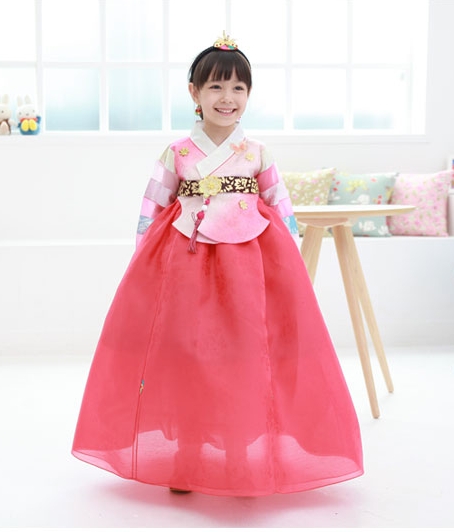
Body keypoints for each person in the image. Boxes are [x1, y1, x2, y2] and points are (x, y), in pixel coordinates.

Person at [72, 32, 363, 497]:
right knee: (188, 354)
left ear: (248, 94)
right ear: (194, 92)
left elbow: (280, 205)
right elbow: (153, 205)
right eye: (215, 87)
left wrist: (288, 263)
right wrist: (143, 260)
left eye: (237, 88)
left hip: (247, 266)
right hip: (186, 265)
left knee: (243, 355)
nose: (227, 98)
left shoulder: (257, 153)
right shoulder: (178, 153)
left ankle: (237, 456)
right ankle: (187, 455)